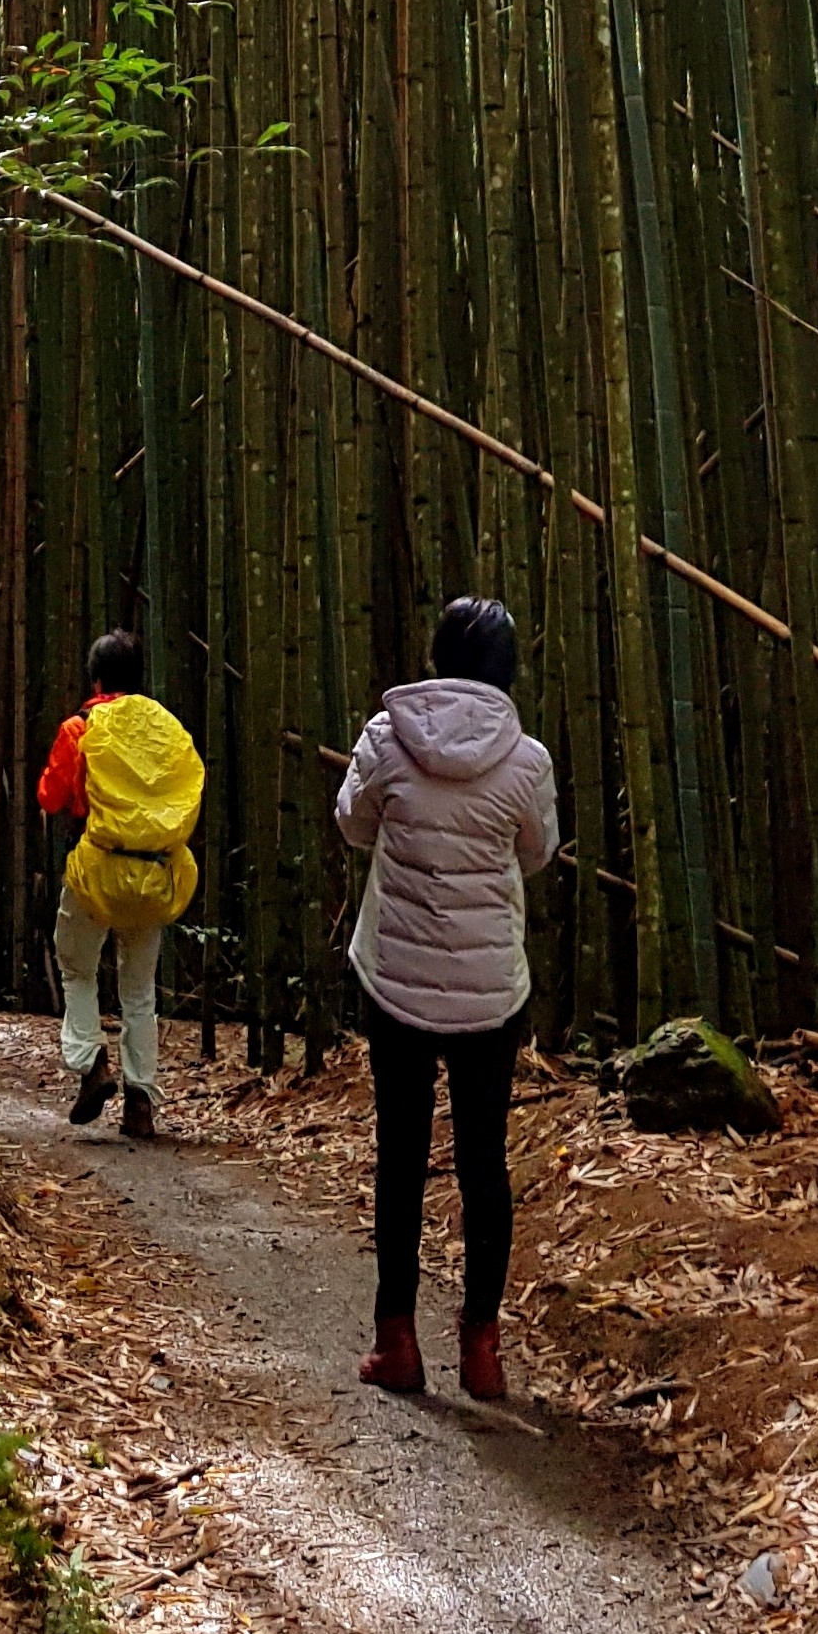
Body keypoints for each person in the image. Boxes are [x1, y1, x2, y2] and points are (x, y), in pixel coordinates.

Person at [335, 594, 558, 1402]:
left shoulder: (386, 741)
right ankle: (482, 1350)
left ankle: (397, 1342)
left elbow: (353, 823)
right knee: (483, 1163)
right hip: (490, 990)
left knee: (399, 1156)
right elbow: (537, 851)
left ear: (437, 657)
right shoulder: (526, 759)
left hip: (394, 976)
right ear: (506, 671)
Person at [38, 627, 202, 1141]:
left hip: (99, 873)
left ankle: (91, 1064)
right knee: (139, 990)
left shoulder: (81, 728)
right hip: (155, 874)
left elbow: (51, 795)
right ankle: (140, 1102)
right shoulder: (168, 729)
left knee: (76, 965)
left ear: (96, 677)